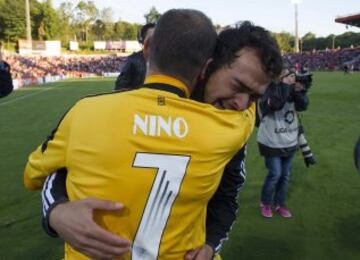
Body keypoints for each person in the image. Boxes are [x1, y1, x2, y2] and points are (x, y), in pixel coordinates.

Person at [24, 12, 282, 260]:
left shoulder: (232, 123)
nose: (242, 104)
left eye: (254, 98)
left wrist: (210, 243)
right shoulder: (234, 127)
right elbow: (64, 167)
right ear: (207, 65)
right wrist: (56, 210)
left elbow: (227, 194)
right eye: (238, 87)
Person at [257, 67, 309, 218]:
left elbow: (303, 105)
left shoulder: (291, 90)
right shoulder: (267, 89)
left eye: (291, 75)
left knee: (285, 175)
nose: (291, 78)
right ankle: (265, 203)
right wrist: (285, 86)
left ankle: (280, 203)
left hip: (289, 140)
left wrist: (300, 91)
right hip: (271, 140)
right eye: (286, 75)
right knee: (275, 173)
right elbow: (276, 104)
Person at [114, 23, 155, 91]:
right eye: (150, 37)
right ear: (143, 41)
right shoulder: (132, 60)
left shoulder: (166, 60)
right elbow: (120, 87)